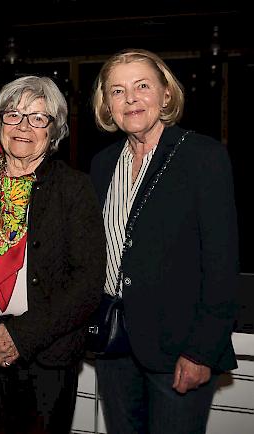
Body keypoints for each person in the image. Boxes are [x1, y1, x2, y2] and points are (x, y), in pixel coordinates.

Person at [0, 75, 106, 433]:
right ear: (0, 124)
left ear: (53, 130)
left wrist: (20, 337)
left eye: (37, 117)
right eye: (13, 115)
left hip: (50, 354)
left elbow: (88, 280)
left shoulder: (74, 188)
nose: (23, 126)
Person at [89, 48, 239, 434]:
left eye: (142, 86)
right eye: (117, 91)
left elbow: (222, 264)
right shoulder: (103, 163)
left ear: (166, 94)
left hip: (179, 349)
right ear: (107, 104)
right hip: (115, 343)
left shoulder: (202, 156)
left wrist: (202, 351)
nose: (131, 99)